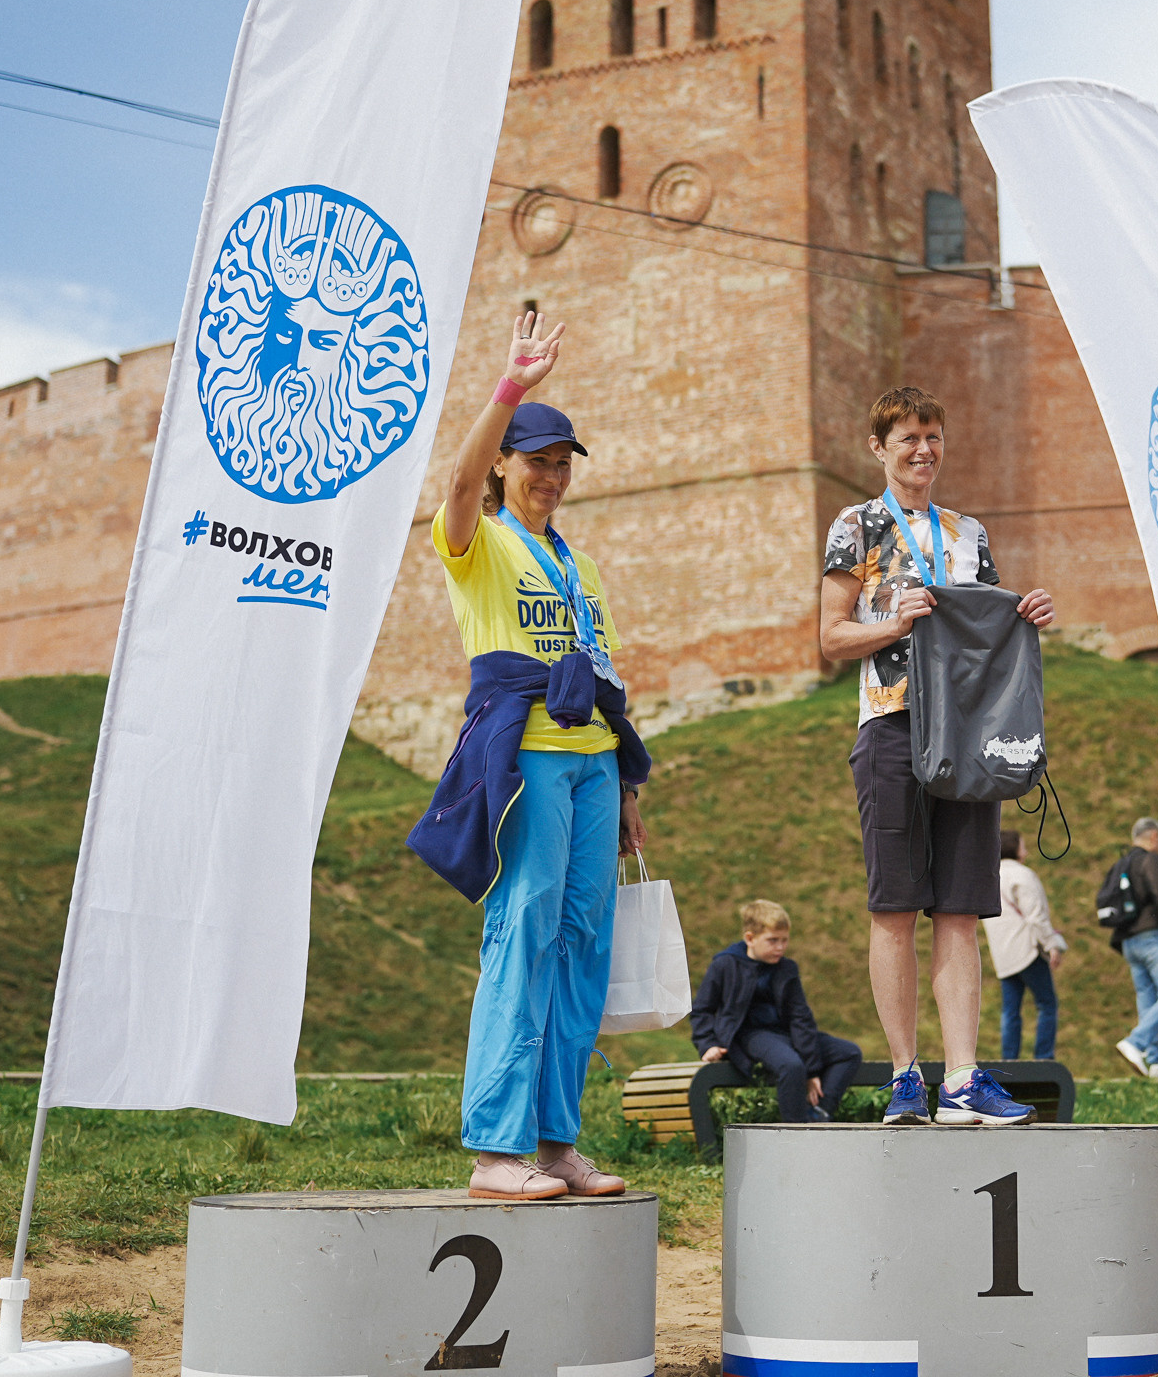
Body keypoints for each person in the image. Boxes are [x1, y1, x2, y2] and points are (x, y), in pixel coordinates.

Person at [430, 308, 651, 1202]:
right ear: (505, 470)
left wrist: (629, 786)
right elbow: (455, 478)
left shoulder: (582, 566)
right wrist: (509, 388)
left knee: (581, 944)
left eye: (563, 463)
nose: (552, 477)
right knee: (521, 935)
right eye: (537, 461)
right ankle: (495, 1146)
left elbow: (604, 673)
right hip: (525, 759)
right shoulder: (477, 545)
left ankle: (557, 1141)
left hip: (595, 758)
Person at [819, 386, 1056, 1126]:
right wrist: (893, 622)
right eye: (908, 439)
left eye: (932, 437)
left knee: (960, 909)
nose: (922, 450)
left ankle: (960, 1078)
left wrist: (1026, 615)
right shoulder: (854, 526)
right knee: (894, 908)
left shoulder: (968, 533)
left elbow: (983, 638)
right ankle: (903, 1079)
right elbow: (830, 637)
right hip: (891, 724)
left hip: (965, 735)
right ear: (879, 449)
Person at [692, 899, 864, 1123]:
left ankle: (819, 1113)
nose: (780, 948)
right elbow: (702, 1009)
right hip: (750, 1035)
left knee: (849, 1052)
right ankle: (796, 1131)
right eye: (773, 941)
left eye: (784, 940)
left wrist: (812, 1070)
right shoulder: (725, 965)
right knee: (791, 1065)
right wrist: (707, 1044)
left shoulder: (787, 969)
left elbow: (800, 1017)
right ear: (750, 938)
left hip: (785, 1034)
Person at [1107, 817, 1158, 1083]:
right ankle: (1135, 1042)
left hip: (1129, 942)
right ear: (1153, 836)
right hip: (1153, 938)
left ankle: (1156, 1063)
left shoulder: (1122, 862)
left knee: (1148, 1000)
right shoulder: (1149, 860)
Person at [987, 830, 1067, 1061]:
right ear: (1014, 848)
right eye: (1023, 845)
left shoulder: (989, 875)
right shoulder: (1023, 875)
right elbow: (1036, 917)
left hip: (1002, 954)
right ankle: (1044, 1058)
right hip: (1027, 950)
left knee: (1010, 1011)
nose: (1027, 850)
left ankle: (1009, 1062)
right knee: (1047, 1004)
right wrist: (1052, 944)